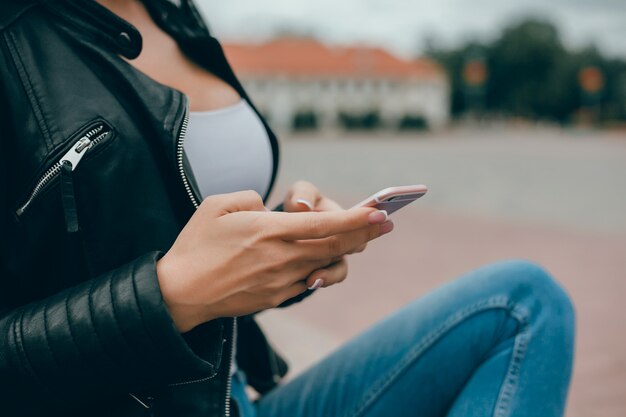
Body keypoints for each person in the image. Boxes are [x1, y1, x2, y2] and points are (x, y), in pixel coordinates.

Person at [0, 1, 575, 416]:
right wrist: (169, 296)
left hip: (238, 396)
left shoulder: (178, 16)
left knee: (524, 304)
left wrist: (282, 245)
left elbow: (164, 218)